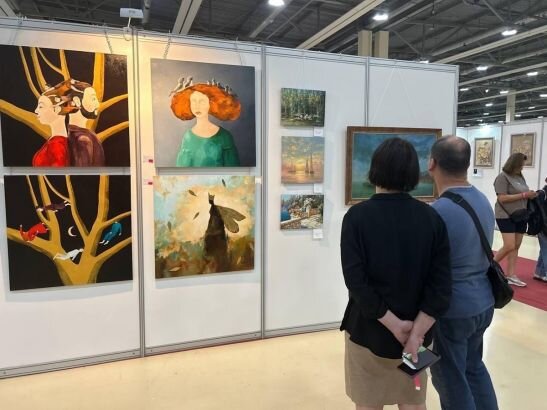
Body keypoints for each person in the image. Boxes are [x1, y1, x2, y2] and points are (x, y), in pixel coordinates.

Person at [340, 137, 452, 410]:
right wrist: (415, 335)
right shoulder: (431, 219)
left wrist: (393, 325)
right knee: (413, 400)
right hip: (418, 336)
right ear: (413, 173)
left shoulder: (357, 217)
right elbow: (440, 288)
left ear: (374, 170)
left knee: (368, 402)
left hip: (368, 332)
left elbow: (356, 282)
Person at [428, 136, 498, 410]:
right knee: (474, 369)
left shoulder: (438, 211)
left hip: (452, 310)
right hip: (483, 302)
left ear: (432, 164)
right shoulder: (482, 200)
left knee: (451, 379)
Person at [170, 77, 240, 167]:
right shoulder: (188, 137)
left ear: (211, 104)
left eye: (202, 101)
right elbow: (182, 169)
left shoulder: (225, 136)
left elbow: (233, 168)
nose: (197, 106)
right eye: (194, 101)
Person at [493, 153, 537, 287]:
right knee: (509, 245)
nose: (523, 167)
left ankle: (511, 275)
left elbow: (523, 192)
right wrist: (524, 195)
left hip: (521, 214)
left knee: (516, 245)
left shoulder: (519, 177)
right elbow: (502, 198)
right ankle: (488, 267)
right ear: (514, 164)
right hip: (505, 215)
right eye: (521, 165)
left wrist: (530, 195)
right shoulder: (502, 177)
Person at [65, 79, 106, 166]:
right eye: (93, 99)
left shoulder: (71, 135)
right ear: (77, 101)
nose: (97, 104)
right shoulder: (83, 140)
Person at [33, 82, 71, 166]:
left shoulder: (57, 146)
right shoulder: (57, 141)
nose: (36, 110)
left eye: (41, 106)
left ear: (57, 109)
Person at [534, 177, 547, 283]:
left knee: (544, 249)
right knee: (546, 248)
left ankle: (539, 272)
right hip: (543, 226)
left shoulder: (541, 194)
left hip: (543, 226)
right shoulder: (542, 194)